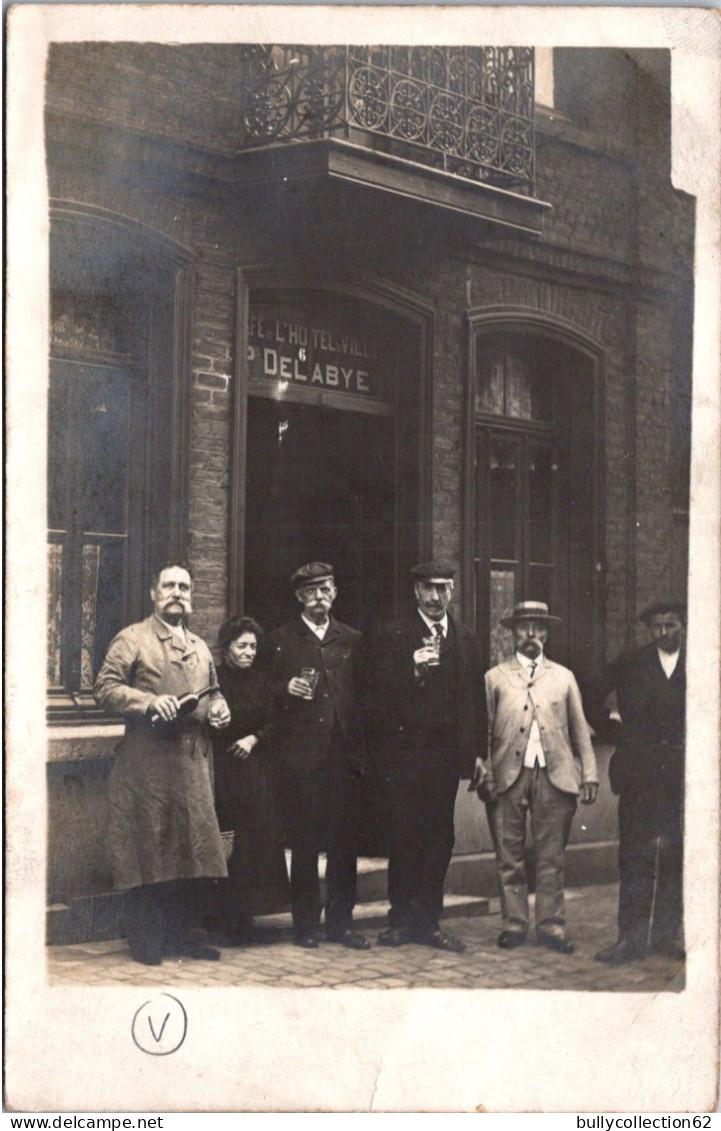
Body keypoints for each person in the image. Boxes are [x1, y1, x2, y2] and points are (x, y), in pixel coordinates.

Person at [93, 561, 231, 966]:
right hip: (147, 765)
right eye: (169, 586)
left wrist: (220, 709)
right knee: (149, 847)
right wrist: (150, 701)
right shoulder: (132, 639)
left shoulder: (200, 646)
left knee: (192, 850)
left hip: (192, 765)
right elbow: (105, 688)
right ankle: (146, 940)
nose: (177, 593)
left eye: (184, 587)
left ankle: (183, 936)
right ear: (154, 593)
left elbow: (215, 691)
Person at [365, 562, 488, 953]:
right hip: (404, 758)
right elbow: (375, 697)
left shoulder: (466, 638)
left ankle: (430, 921)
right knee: (404, 835)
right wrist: (411, 672)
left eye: (444, 589)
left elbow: (475, 702)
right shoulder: (393, 635)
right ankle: (400, 920)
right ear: (416, 592)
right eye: (429, 589)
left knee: (440, 838)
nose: (437, 598)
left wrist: (479, 754)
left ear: (452, 591)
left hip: (446, 760)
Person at [480, 600, 598, 954]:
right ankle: (514, 924)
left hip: (555, 776)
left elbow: (580, 731)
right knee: (509, 856)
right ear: (512, 633)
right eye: (523, 627)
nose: (531, 634)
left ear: (546, 633)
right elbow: (483, 732)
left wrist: (588, 773)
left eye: (538, 627)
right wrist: (485, 774)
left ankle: (552, 926)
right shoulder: (495, 677)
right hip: (507, 777)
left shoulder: (563, 677)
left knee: (551, 857)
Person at [264, 562, 369, 950]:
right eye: (311, 591)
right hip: (303, 758)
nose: (319, 597)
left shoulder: (352, 639)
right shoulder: (280, 640)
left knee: (345, 842)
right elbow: (263, 693)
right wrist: (283, 688)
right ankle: (305, 924)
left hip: (344, 757)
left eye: (325, 589)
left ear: (335, 592)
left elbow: (366, 696)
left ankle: (342, 924)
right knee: (306, 842)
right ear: (299, 597)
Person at [595, 601, 686, 965]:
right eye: (657, 628)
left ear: (682, 624)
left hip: (681, 774)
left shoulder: (702, 661)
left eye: (671, 626)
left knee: (674, 855)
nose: (663, 634)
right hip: (639, 773)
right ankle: (629, 939)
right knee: (635, 854)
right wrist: (614, 729)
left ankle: (666, 935)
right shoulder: (632, 661)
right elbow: (592, 693)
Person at [211, 615, 291, 945]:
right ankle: (221, 916)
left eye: (253, 647)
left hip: (256, 772)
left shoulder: (261, 681)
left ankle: (247, 916)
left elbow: (277, 721)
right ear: (227, 647)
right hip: (223, 771)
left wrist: (254, 739)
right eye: (241, 646)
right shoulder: (214, 680)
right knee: (226, 842)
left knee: (253, 843)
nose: (248, 653)